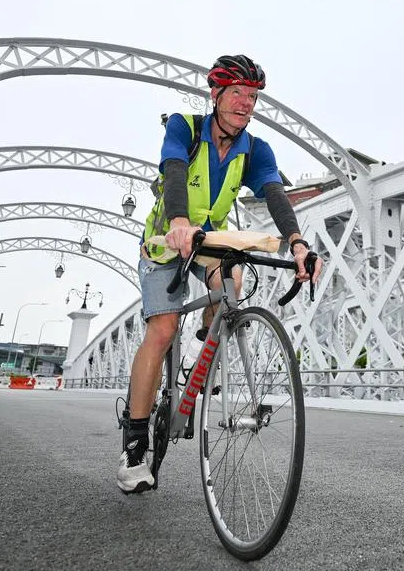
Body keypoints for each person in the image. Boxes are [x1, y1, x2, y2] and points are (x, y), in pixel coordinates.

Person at [117, 53, 323, 494]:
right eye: (236, 94)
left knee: (232, 286)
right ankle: (134, 444)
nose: (245, 104)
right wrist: (176, 223)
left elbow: (275, 195)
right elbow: (174, 172)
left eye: (252, 97)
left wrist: (299, 243)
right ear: (216, 95)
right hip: (164, 239)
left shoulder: (256, 150)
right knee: (164, 326)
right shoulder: (185, 128)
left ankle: (204, 354)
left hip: (208, 241)